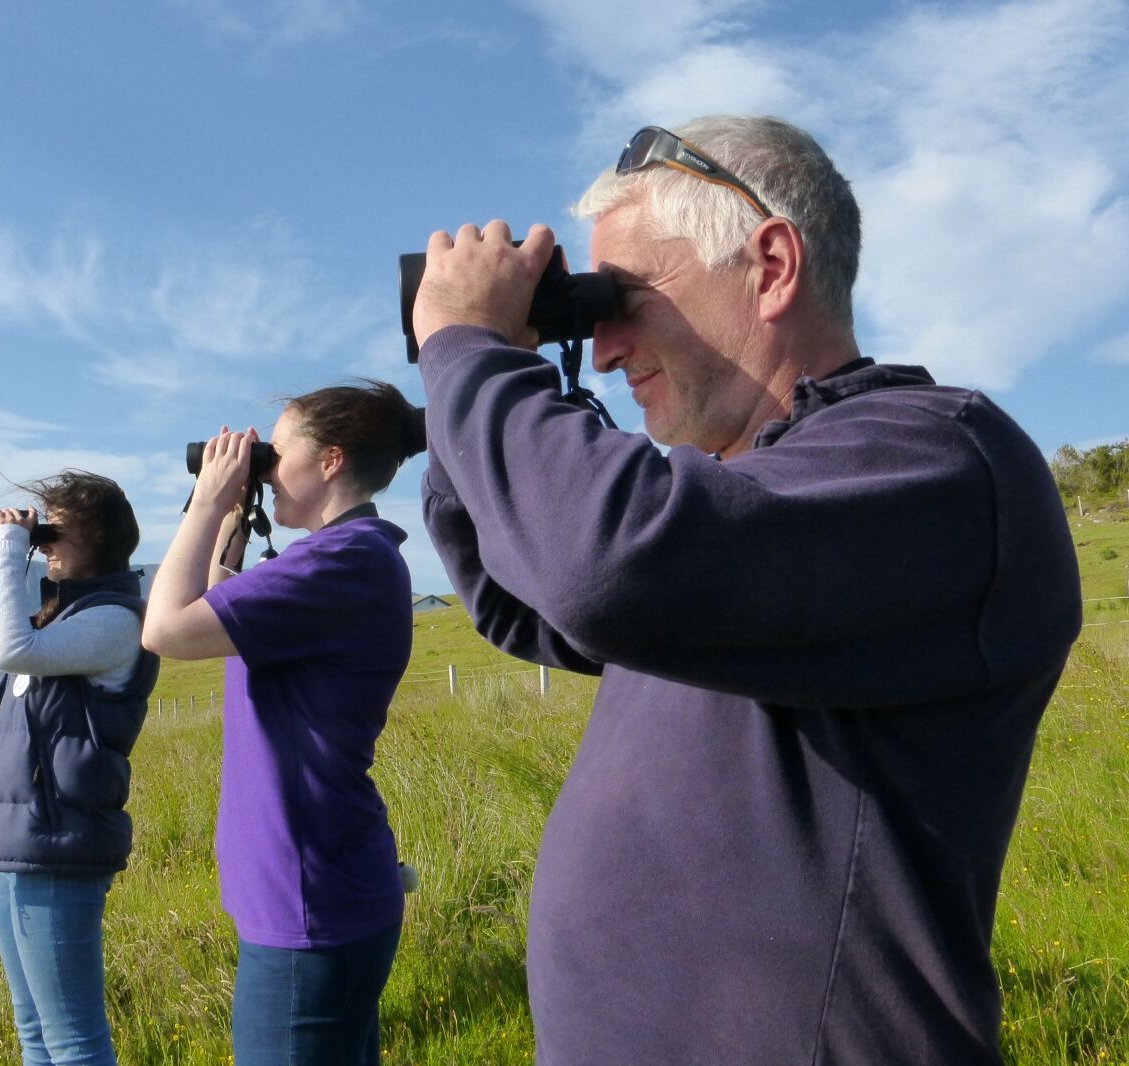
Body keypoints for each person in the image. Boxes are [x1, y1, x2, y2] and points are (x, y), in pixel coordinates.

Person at [409, 116, 1082, 1064]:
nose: (600, 349)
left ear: (770, 266)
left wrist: (472, 355)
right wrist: (468, 383)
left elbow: (602, 567)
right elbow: (530, 605)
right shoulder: (737, 515)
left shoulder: (938, 459)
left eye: (623, 298)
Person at [142, 380, 425, 1065]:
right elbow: (214, 604)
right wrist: (235, 516)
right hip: (314, 891)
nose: (263, 467)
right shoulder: (341, 559)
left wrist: (207, 501)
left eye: (275, 452)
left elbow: (167, 628)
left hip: (311, 904)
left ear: (329, 460)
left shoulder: (340, 562)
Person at [0, 470, 158, 1066]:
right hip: (19, 843)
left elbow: (12, 651)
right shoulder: (57, 622)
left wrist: (13, 551)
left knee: (75, 1041)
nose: (44, 539)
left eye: (54, 527)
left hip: (59, 844)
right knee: (34, 1031)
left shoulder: (116, 621)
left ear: (101, 535)